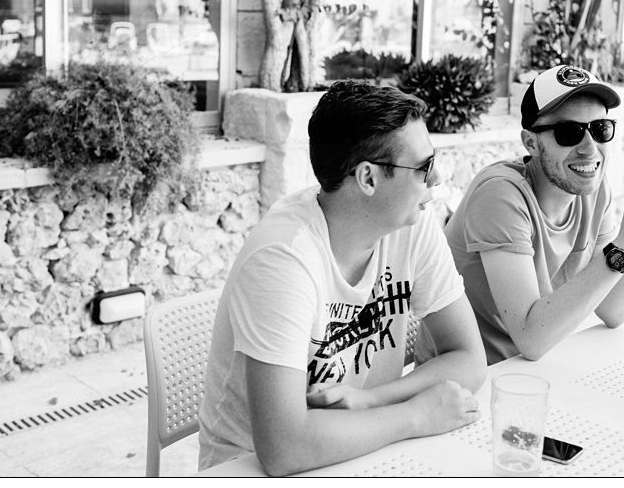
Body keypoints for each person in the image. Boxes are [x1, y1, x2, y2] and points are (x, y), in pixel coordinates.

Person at [199, 81, 486, 475]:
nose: (434, 181)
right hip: (248, 467)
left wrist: (373, 400)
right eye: (423, 168)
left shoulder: (411, 225)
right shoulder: (284, 257)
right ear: (368, 178)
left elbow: (470, 359)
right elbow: (283, 449)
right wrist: (415, 416)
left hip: (364, 444)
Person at [445, 64, 624, 365]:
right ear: (531, 142)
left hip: (539, 369)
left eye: (600, 129)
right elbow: (532, 338)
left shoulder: (592, 187)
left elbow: (613, 311)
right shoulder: (500, 195)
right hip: (474, 383)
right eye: (569, 132)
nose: (590, 148)